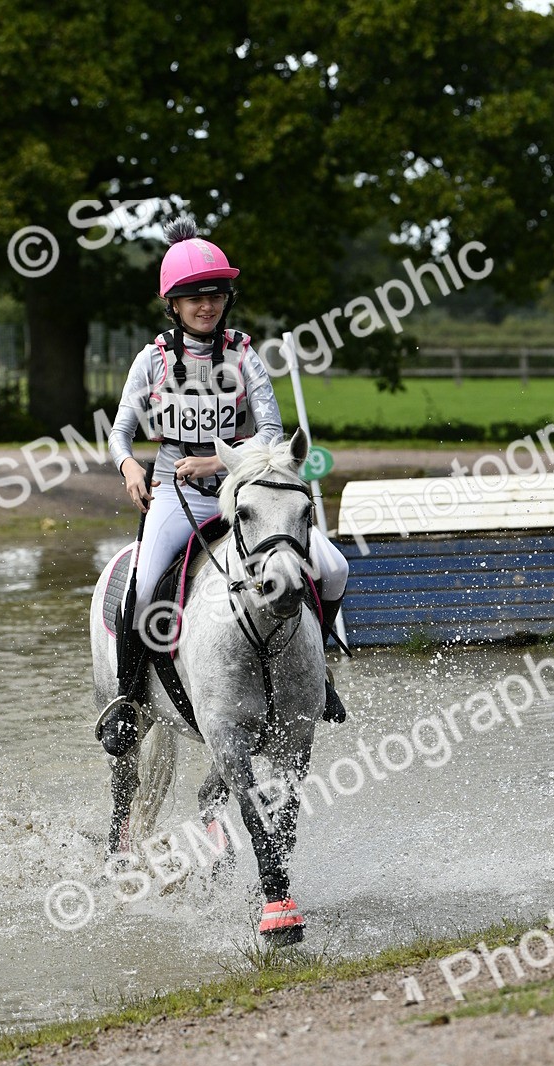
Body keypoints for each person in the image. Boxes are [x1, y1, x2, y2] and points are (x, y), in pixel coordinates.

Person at [97, 215, 349, 757]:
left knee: (333, 567)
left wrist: (215, 462)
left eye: (214, 295)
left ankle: (319, 676)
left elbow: (272, 433)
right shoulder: (153, 359)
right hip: (174, 494)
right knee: (142, 589)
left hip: (248, 492)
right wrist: (129, 467)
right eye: (193, 298)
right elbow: (119, 432)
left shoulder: (243, 355)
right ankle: (127, 698)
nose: (205, 306)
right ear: (174, 305)